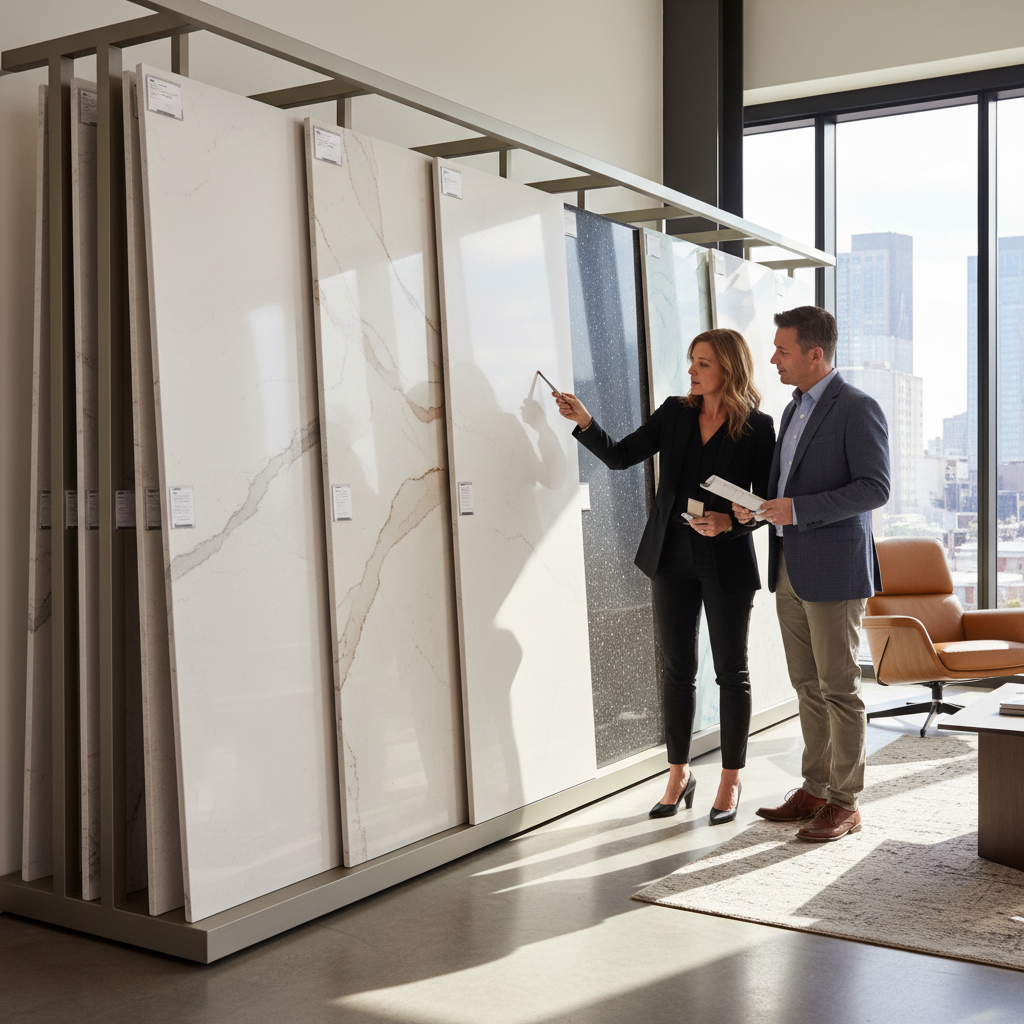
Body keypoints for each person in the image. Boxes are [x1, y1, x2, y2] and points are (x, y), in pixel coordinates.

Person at [555, 329, 775, 824]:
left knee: (731, 673)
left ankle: (730, 778)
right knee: (676, 671)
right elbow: (619, 456)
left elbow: (767, 504)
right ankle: (678, 773)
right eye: (692, 361)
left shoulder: (758, 428)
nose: (693, 371)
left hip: (727, 559)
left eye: (703, 364)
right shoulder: (675, 413)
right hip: (671, 555)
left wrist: (732, 520)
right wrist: (585, 421)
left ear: (729, 370)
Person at [733, 306, 889, 843]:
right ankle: (816, 786)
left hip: (834, 571)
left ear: (814, 353)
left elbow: (875, 488)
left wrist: (797, 509)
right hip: (789, 568)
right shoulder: (792, 409)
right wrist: (759, 508)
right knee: (807, 686)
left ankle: (845, 802)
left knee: (839, 688)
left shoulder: (857, 408)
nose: (773, 359)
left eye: (782, 350)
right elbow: (787, 489)